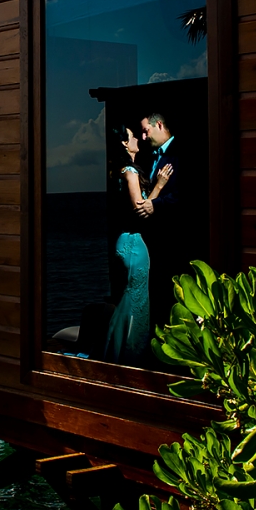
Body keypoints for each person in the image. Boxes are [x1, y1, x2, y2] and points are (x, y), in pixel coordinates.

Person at [101, 126, 172, 365]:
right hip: (133, 242)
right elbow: (140, 210)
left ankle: (117, 353)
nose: (137, 139)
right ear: (124, 143)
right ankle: (128, 357)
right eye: (132, 136)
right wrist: (160, 185)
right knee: (136, 301)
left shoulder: (124, 170)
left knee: (128, 299)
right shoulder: (130, 171)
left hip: (126, 241)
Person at [133, 112, 181, 328]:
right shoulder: (154, 156)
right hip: (157, 239)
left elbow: (188, 193)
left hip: (173, 238)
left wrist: (157, 204)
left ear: (159, 124)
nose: (144, 137)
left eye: (146, 130)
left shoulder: (180, 153)